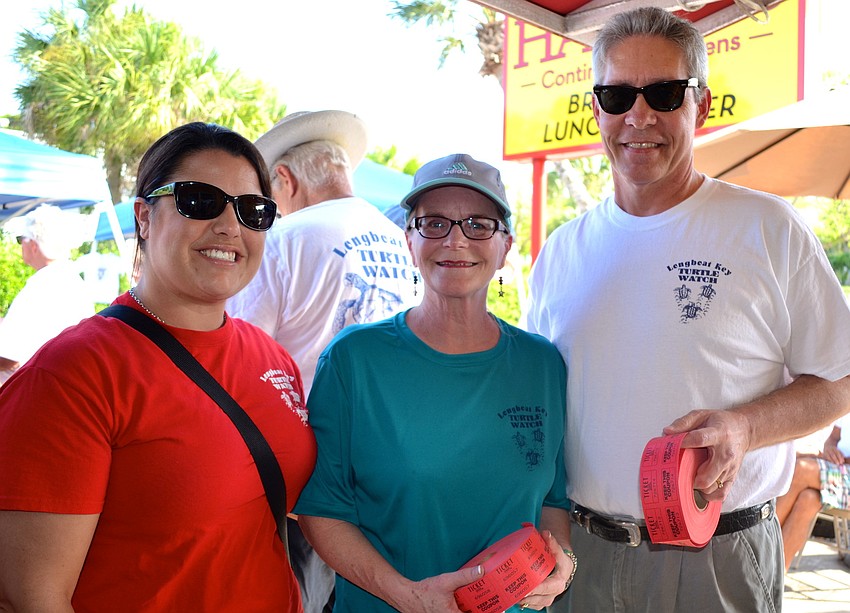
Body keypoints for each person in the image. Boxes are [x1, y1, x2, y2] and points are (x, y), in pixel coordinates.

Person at [525, 7, 850, 612]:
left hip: (720, 560)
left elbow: (840, 379)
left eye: (664, 93)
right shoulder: (563, 251)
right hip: (583, 556)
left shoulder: (767, 228)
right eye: (618, 95)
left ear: (699, 106)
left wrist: (745, 427)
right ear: (597, 109)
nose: (639, 115)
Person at [0, 122, 317, 612]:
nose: (230, 227)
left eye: (253, 211)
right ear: (144, 217)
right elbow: (32, 596)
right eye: (200, 200)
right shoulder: (76, 372)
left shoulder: (271, 357)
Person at [294, 153, 576, 613]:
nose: (456, 240)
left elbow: (551, 500)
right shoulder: (354, 360)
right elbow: (321, 510)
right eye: (435, 224)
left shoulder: (542, 363)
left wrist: (562, 561)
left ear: (505, 246)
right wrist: (408, 596)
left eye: (478, 224)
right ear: (409, 241)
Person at [228, 109, 418, 613]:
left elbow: (238, 355)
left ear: (285, 180)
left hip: (301, 487)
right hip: (388, 472)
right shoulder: (402, 242)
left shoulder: (284, 240)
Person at [0, 204, 93, 385]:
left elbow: (9, 356)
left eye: (21, 239)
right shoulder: (73, 281)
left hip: (30, 395)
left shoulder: (42, 284)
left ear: (34, 245)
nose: (21, 246)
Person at [777, 414, 850, 571]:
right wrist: (830, 449)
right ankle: (774, 580)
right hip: (839, 469)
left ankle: (760, 548)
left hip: (844, 473)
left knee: (801, 469)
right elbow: (833, 439)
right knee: (809, 499)